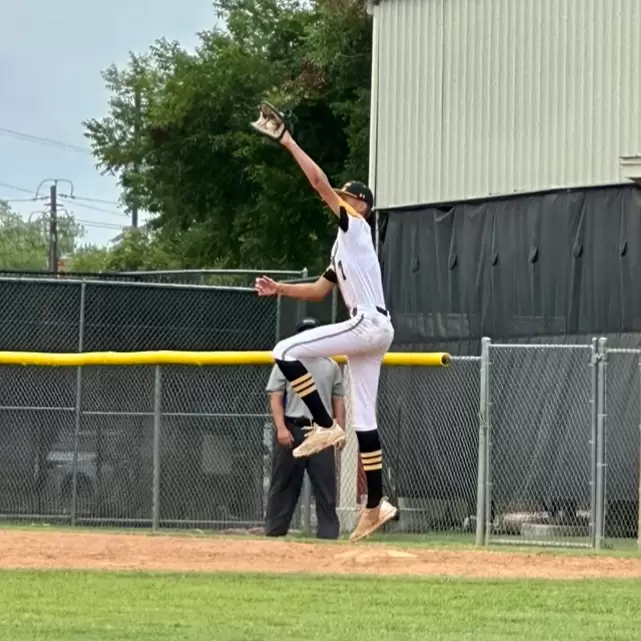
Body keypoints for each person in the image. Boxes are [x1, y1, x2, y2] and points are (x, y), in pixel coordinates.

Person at [254, 128, 398, 542]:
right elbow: (320, 290)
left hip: (366, 322)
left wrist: (288, 141)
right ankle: (376, 504)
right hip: (377, 329)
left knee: (285, 350)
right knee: (365, 418)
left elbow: (318, 182)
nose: (340, 199)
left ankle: (323, 424)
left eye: (349, 197)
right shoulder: (343, 247)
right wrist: (280, 289)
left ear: (362, 205)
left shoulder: (356, 227)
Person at [264, 317, 346, 539]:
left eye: (312, 333)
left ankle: (328, 535)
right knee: (284, 484)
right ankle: (274, 532)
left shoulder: (330, 365)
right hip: (293, 427)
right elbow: (276, 397)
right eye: (304, 333)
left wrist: (340, 430)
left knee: (326, 486)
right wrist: (281, 428)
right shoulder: (286, 362)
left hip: (322, 430)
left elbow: (338, 400)